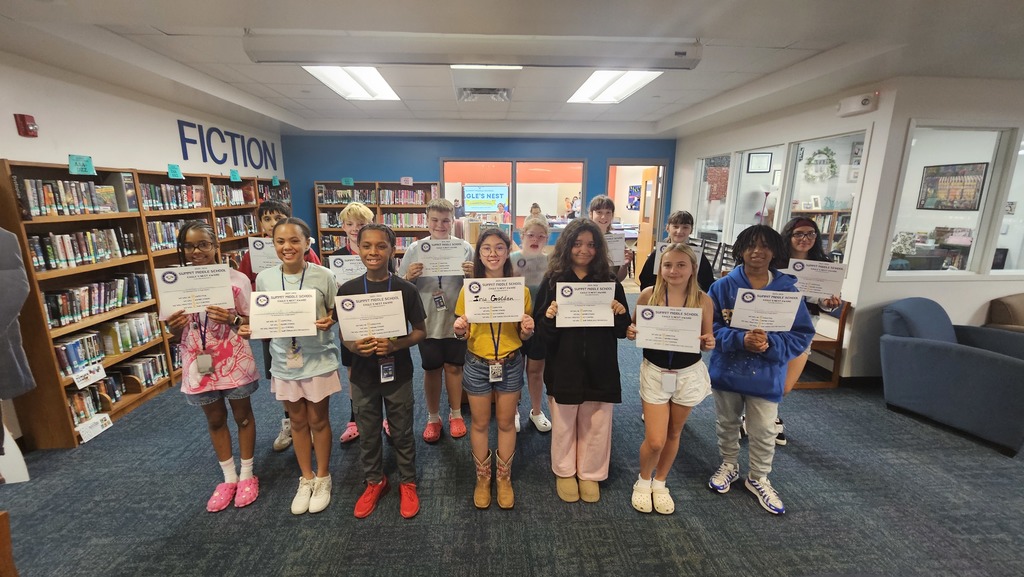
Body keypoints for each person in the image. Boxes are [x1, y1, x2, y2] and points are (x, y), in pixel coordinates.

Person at [705, 225, 814, 515]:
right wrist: (740, 339)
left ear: (775, 252)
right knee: (727, 422)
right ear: (740, 249)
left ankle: (758, 476)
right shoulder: (722, 287)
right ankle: (729, 464)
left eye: (765, 246)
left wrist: (769, 344)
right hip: (727, 370)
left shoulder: (788, 292)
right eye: (751, 245)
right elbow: (709, 327)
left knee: (763, 429)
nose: (757, 251)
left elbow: (802, 334)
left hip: (767, 374)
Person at [243, 217, 341, 515]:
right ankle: (306, 477)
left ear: (307, 243)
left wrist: (332, 319)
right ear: (273, 245)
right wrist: (252, 327)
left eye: (295, 240)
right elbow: (261, 317)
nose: (288, 247)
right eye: (280, 241)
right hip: (284, 359)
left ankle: (323, 476)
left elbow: (338, 310)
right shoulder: (265, 279)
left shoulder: (324, 275)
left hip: (318, 358)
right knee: (297, 421)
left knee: (319, 420)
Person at [165, 221, 260, 512]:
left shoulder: (236, 280)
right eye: (190, 246)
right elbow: (173, 333)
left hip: (233, 356)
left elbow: (251, 323)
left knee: (242, 416)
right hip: (198, 360)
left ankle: (247, 474)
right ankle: (228, 477)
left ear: (216, 246)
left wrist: (232, 320)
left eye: (203, 244)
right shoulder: (173, 283)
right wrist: (173, 327)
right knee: (215, 418)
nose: (197, 251)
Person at [534, 219, 630, 504]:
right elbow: (541, 333)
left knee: (597, 422)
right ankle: (564, 470)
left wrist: (619, 312)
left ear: (599, 248)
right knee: (564, 422)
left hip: (601, 366)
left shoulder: (609, 282)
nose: (584, 250)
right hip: (564, 364)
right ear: (566, 246)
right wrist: (549, 316)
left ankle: (591, 472)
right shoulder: (553, 281)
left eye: (590, 244)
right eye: (577, 244)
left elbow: (622, 330)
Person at [338, 224, 426, 519]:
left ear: (392, 250)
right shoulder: (348, 289)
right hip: (363, 376)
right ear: (358, 248)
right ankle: (375, 480)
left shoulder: (406, 289)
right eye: (366, 246)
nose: (373, 252)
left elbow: (420, 332)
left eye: (380, 246)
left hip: (397, 372)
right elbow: (344, 335)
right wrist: (353, 348)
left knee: (402, 430)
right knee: (368, 431)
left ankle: (408, 480)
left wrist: (395, 345)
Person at [625, 243, 715, 514]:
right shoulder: (647, 295)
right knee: (655, 439)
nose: (673, 270)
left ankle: (661, 481)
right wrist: (631, 331)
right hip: (655, 371)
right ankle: (643, 480)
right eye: (667, 265)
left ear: (692, 269)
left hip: (687, 374)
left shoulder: (702, 299)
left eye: (680, 265)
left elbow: (706, 339)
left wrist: (709, 342)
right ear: (660, 268)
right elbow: (634, 328)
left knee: (674, 432)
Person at [453, 229, 534, 509]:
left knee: (505, 421)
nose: (492, 254)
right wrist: (460, 330)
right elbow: (463, 334)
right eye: (486, 248)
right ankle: (482, 478)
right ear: (479, 254)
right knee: (478, 422)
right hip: (477, 363)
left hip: (511, 363)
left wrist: (526, 332)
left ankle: (503, 478)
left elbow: (522, 336)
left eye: (499, 248)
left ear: (507, 252)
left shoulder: (519, 291)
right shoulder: (469, 289)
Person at [237, 199, 322, 453]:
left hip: (305, 330)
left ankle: (311, 424)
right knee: (281, 375)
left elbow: (317, 281)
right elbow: (245, 286)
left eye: (278, 217)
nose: (273, 223)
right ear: (261, 225)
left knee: (308, 375)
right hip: (273, 329)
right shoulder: (251, 256)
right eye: (267, 219)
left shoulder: (308, 253)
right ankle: (290, 422)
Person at [398, 198, 475, 443]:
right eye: (435, 220)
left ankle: (455, 414)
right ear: (426, 221)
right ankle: (433, 417)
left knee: (454, 368)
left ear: (452, 221)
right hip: (427, 320)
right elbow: (401, 286)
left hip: (457, 319)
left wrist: (473, 274)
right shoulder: (415, 249)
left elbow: (478, 285)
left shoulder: (464, 247)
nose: (440, 225)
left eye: (445, 220)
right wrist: (409, 276)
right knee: (431, 370)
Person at [769, 217, 842, 445]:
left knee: (786, 386)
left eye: (810, 234)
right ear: (788, 236)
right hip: (774, 326)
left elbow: (823, 302)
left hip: (803, 328)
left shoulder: (824, 265)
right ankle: (768, 419)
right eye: (798, 234)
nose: (805, 239)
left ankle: (763, 416)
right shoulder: (774, 263)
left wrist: (829, 303)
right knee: (767, 377)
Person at [333, 202, 392, 446]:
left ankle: (387, 417)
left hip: (381, 318)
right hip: (352, 322)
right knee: (353, 370)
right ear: (343, 227)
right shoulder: (336, 258)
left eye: (361, 224)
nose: (355, 228)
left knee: (386, 365)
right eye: (350, 224)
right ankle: (355, 418)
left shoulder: (381, 253)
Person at [509, 217, 552, 433]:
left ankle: (536, 411)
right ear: (522, 236)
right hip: (513, 324)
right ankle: (514, 411)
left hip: (540, 325)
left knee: (536, 370)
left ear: (547, 239)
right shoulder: (510, 260)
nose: (535, 239)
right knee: (515, 369)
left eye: (540, 236)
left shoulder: (551, 263)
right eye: (530, 235)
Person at [638, 210, 715, 293]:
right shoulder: (657, 254)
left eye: (685, 227)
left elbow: (707, 282)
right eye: (675, 226)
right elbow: (645, 281)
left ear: (691, 230)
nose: (679, 231)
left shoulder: (697, 255)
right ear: (668, 228)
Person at [588, 195, 633, 282]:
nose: (603, 217)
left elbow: (618, 279)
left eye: (608, 212)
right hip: (585, 289)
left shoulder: (617, 242)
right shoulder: (583, 240)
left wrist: (624, 265)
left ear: (612, 215)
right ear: (591, 214)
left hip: (609, 289)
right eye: (599, 212)